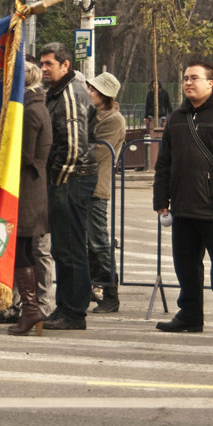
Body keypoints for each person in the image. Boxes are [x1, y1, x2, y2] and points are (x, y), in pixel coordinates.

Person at [153, 60, 213, 338]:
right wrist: (161, 199)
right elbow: (164, 163)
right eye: (185, 78)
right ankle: (190, 315)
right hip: (182, 206)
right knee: (185, 266)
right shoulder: (176, 118)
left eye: (194, 78)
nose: (188, 83)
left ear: (210, 83)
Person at [40, 42, 98, 330]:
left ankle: (73, 312)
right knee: (64, 247)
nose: (44, 69)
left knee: (71, 247)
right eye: (42, 64)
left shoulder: (71, 93)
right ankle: (66, 307)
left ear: (65, 65)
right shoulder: (58, 91)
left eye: (49, 63)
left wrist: (57, 178)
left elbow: (74, 145)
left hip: (73, 178)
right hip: (69, 177)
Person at [8, 62, 52, 336]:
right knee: (24, 249)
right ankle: (31, 309)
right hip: (31, 188)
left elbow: (23, 155)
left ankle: (30, 309)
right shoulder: (37, 106)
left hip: (26, 188)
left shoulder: (29, 110)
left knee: (21, 250)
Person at [85, 72, 126, 313]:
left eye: (93, 90)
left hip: (96, 186)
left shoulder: (114, 119)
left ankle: (111, 294)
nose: (89, 92)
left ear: (105, 95)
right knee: (84, 242)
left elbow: (99, 152)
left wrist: (75, 147)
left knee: (99, 241)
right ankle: (89, 287)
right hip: (82, 184)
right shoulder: (91, 114)